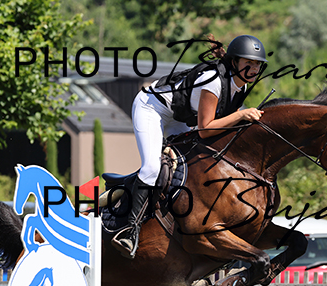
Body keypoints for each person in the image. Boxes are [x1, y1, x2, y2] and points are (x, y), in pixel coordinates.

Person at [111, 34, 268, 259]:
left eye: (257, 65)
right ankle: (130, 230)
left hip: (181, 117)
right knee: (152, 168)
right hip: (152, 107)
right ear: (234, 62)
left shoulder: (240, 88)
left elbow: (222, 125)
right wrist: (241, 114)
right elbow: (206, 129)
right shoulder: (214, 80)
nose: (253, 69)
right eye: (248, 63)